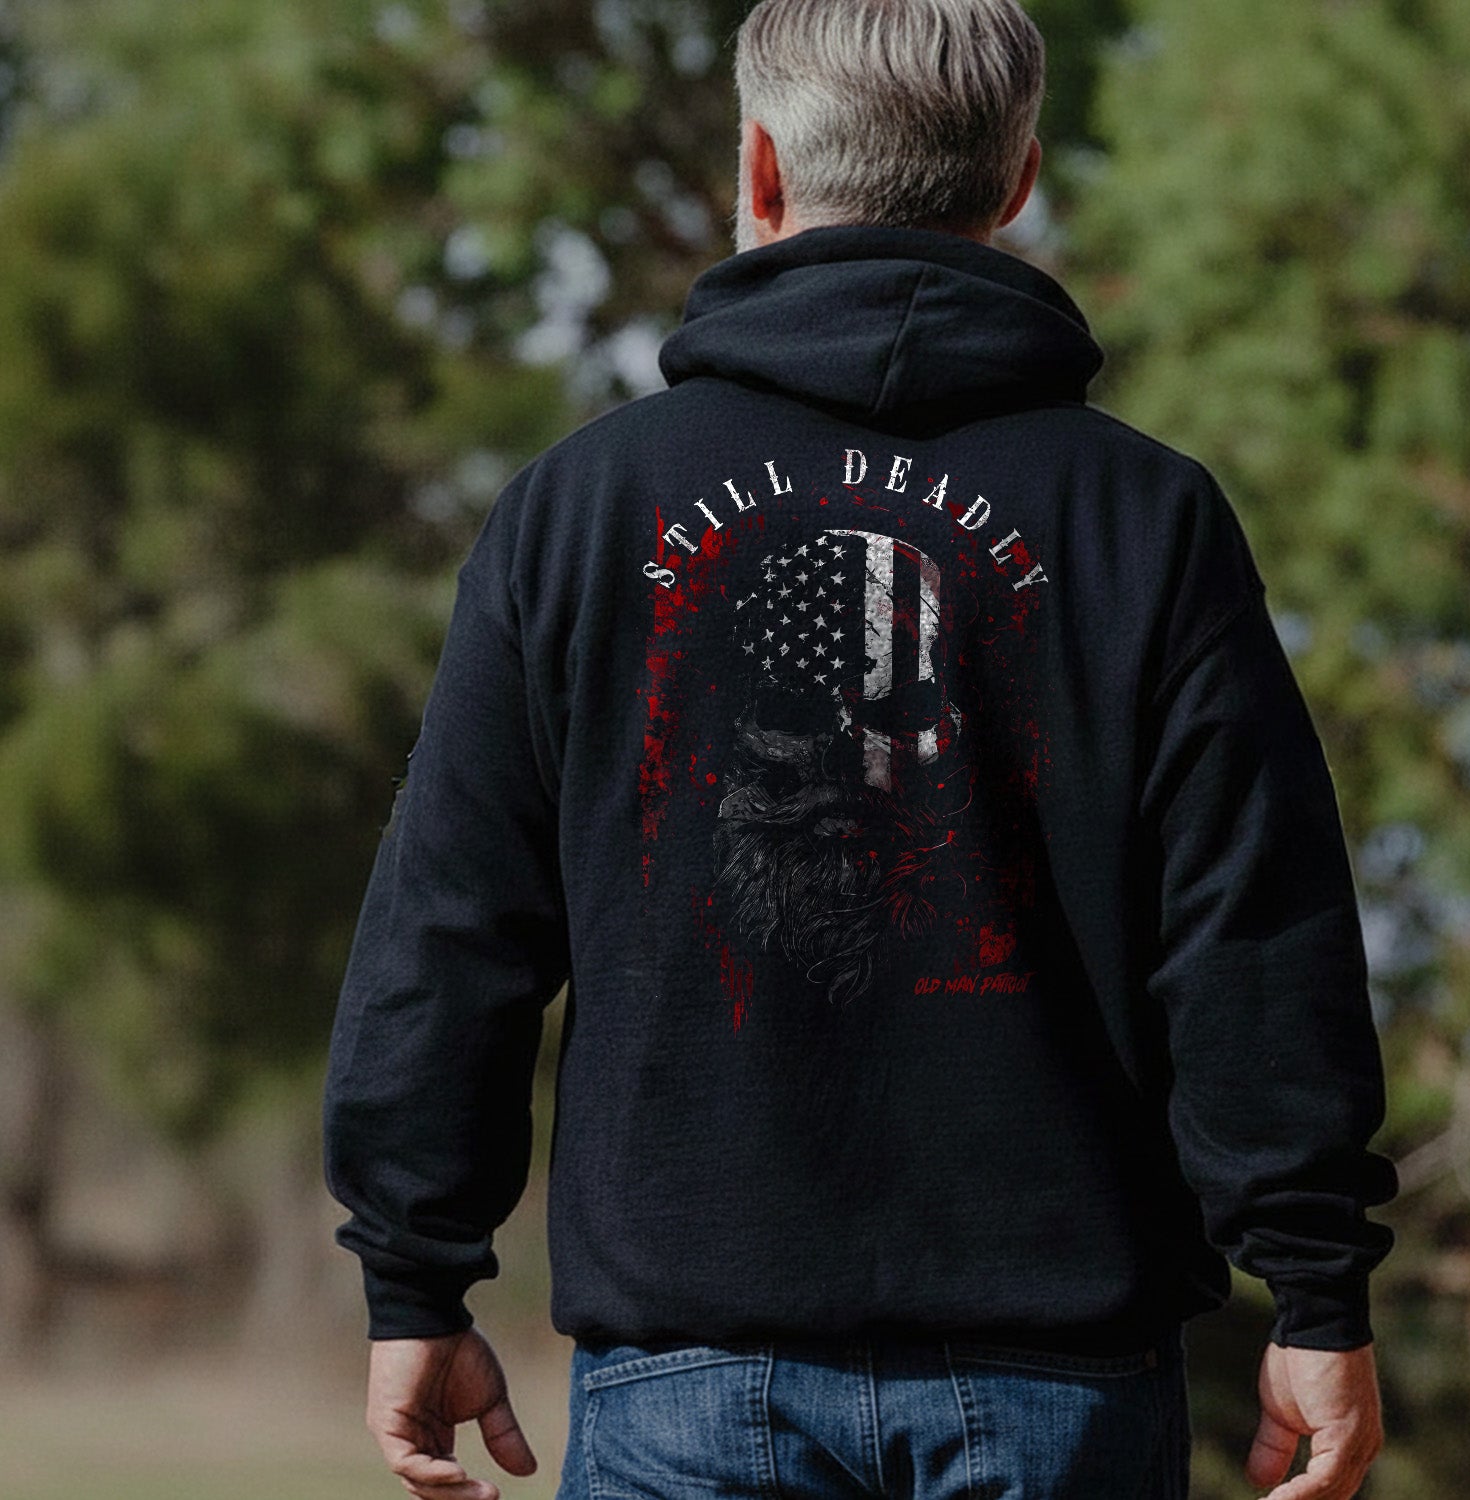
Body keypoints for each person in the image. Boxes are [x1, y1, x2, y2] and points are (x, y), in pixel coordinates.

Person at [321, 2, 1400, 1497]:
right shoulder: (1143, 518)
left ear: (759, 168)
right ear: (1018, 181)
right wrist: (1318, 1288)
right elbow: (1251, 929)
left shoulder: (582, 509)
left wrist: (416, 1278)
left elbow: (453, 927)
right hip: (1059, 1386)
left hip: (687, 1384)